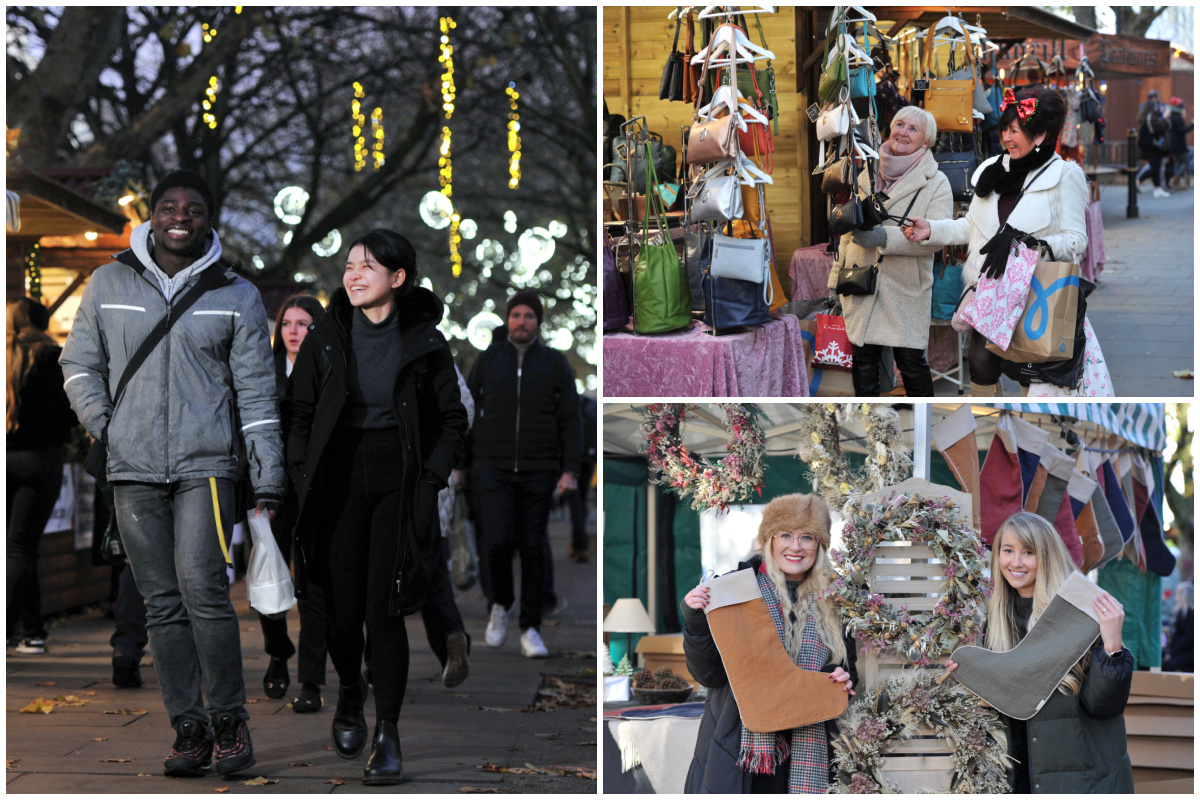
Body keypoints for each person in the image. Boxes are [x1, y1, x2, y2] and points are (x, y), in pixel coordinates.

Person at [60, 169, 284, 778]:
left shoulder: (235, 293)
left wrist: (267, 478)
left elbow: (257, 394)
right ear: (151, 216)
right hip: (131, 470)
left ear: (208, 219)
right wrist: (107, 425)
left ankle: (230, 723)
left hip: (206, 467)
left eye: (193, 207)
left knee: (204, 593)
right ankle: (189, 729)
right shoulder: (109, 281)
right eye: (168, 206)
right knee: (161, 604)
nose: (179, 215)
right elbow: (79, 363)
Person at [286, 229, 467, 784]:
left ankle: (387, 735)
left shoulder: (426, 342)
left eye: (367, 266)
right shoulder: (325, 336)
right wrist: (298, 470)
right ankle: (348, 689)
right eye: (348, 266)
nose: (354, 275)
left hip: (399, 480)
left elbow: (452, 419)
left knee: (384, 612)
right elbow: (297, 413)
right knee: (339, 613)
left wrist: (431, 477)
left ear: (398, 277)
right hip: (336, 480)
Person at [904, 86, 1093, 397]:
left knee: (1030, 375)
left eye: (1015, 130)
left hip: (1035, 295)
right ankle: (993, 426)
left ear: (1040, 135)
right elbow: (972, 227)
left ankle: (1021, 429)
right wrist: (932, 230)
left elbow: (1076, 241)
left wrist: (1034, 246)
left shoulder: (1064, 176)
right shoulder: (992, 171)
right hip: (989, 292)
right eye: (1004, 129)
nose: (1006, 137)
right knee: (980, 364)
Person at [945, 512, 1134, 793]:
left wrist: (1112, 649)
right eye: (1007, 551)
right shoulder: (991, 622)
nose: (1016, 562)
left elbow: (1103, 706)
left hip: (1081, 779)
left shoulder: (1084, 614)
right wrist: (970, 686)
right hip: (1016, 779)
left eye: (1028, 552)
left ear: (1047, 556)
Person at [680, 493, 856, 793]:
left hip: (810, 748)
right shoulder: (735, 589)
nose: (795, 547)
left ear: (821, 545)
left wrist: (841, 677)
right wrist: (695, 621)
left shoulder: (839, 601)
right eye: (785, 534)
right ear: (769, 540)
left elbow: (850, 673)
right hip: (741, 749)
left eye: (808, 537)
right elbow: (707, 675)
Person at [466, 290, 582, 659]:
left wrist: (570, 469)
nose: (521, 321)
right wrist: (459, 461)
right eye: (516, 315)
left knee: (532, 547)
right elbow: (466, 411)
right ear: (507, 319)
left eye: (529, 316)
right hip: (492, 466)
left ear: (538, 322)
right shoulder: (488, 361)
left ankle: (531, 627)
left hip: (539, 468)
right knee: (497, 543)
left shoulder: (554, 363)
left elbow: (571, 419)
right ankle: (500, 604)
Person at [830, 105, 953, 397]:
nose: (903, 132)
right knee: (864, 362)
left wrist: (883, 236)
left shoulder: (936, 183)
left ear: (927, 141)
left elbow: (935, 239)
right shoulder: (868, 173)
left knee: (910, 363)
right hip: (862, 282)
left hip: (905, 288)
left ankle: (924, 422)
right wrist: (836, 279)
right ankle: (871, 425)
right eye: (899, 124)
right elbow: (849, 230)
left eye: (913, 129)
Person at [258, 294, 331, 711]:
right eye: (288, 322)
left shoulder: (327, 369)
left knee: (312, 587)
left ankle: (311, 682)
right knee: (267, 581)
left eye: (303, 323)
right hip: (270, 488)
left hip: (315, 488)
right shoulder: (264, 372)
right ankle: (277, 653)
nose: (293, 330)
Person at [7, 297, 77, 655]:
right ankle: (15, 629)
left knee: (17, 547)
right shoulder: (56, 357)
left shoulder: (5, 357)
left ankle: (30, 629)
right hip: (42, 459)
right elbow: (72, 412)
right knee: (23, 546)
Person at [1137, 89, 1171, 198]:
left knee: (1155, 167)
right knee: (1154, 168)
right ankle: (1138, 180)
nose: (1157, 107)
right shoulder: (1151, 117)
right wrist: (1165, 118)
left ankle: (1157, 189)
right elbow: (1161, 127)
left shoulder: (1146, 117)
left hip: (1150, 145)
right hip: (1152, 146)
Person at [1166, 97, 1193, 191]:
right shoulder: (1178, 118)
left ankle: (1176, 183)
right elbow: (1182, 131)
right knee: (1185, 163)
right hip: (1179, 144)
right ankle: (1175, 180)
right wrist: (1192, 125)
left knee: (1178, 164)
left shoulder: (1172, 117)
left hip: (1173, 144)